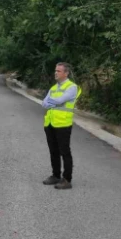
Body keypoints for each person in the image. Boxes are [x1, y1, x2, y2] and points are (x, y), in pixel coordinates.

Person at [41, 62, 82, 190]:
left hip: (63, 124)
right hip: (50, 123)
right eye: (55, 70)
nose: (55, 73)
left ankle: (67, 179)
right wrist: (52, 102)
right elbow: (44, 103)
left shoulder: (72, 87)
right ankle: (56, 175)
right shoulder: (54, 88)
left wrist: (52, 102)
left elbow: (58, 101)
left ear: (66, 73)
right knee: (53, 151)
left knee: (65, 152)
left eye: (58, 71)